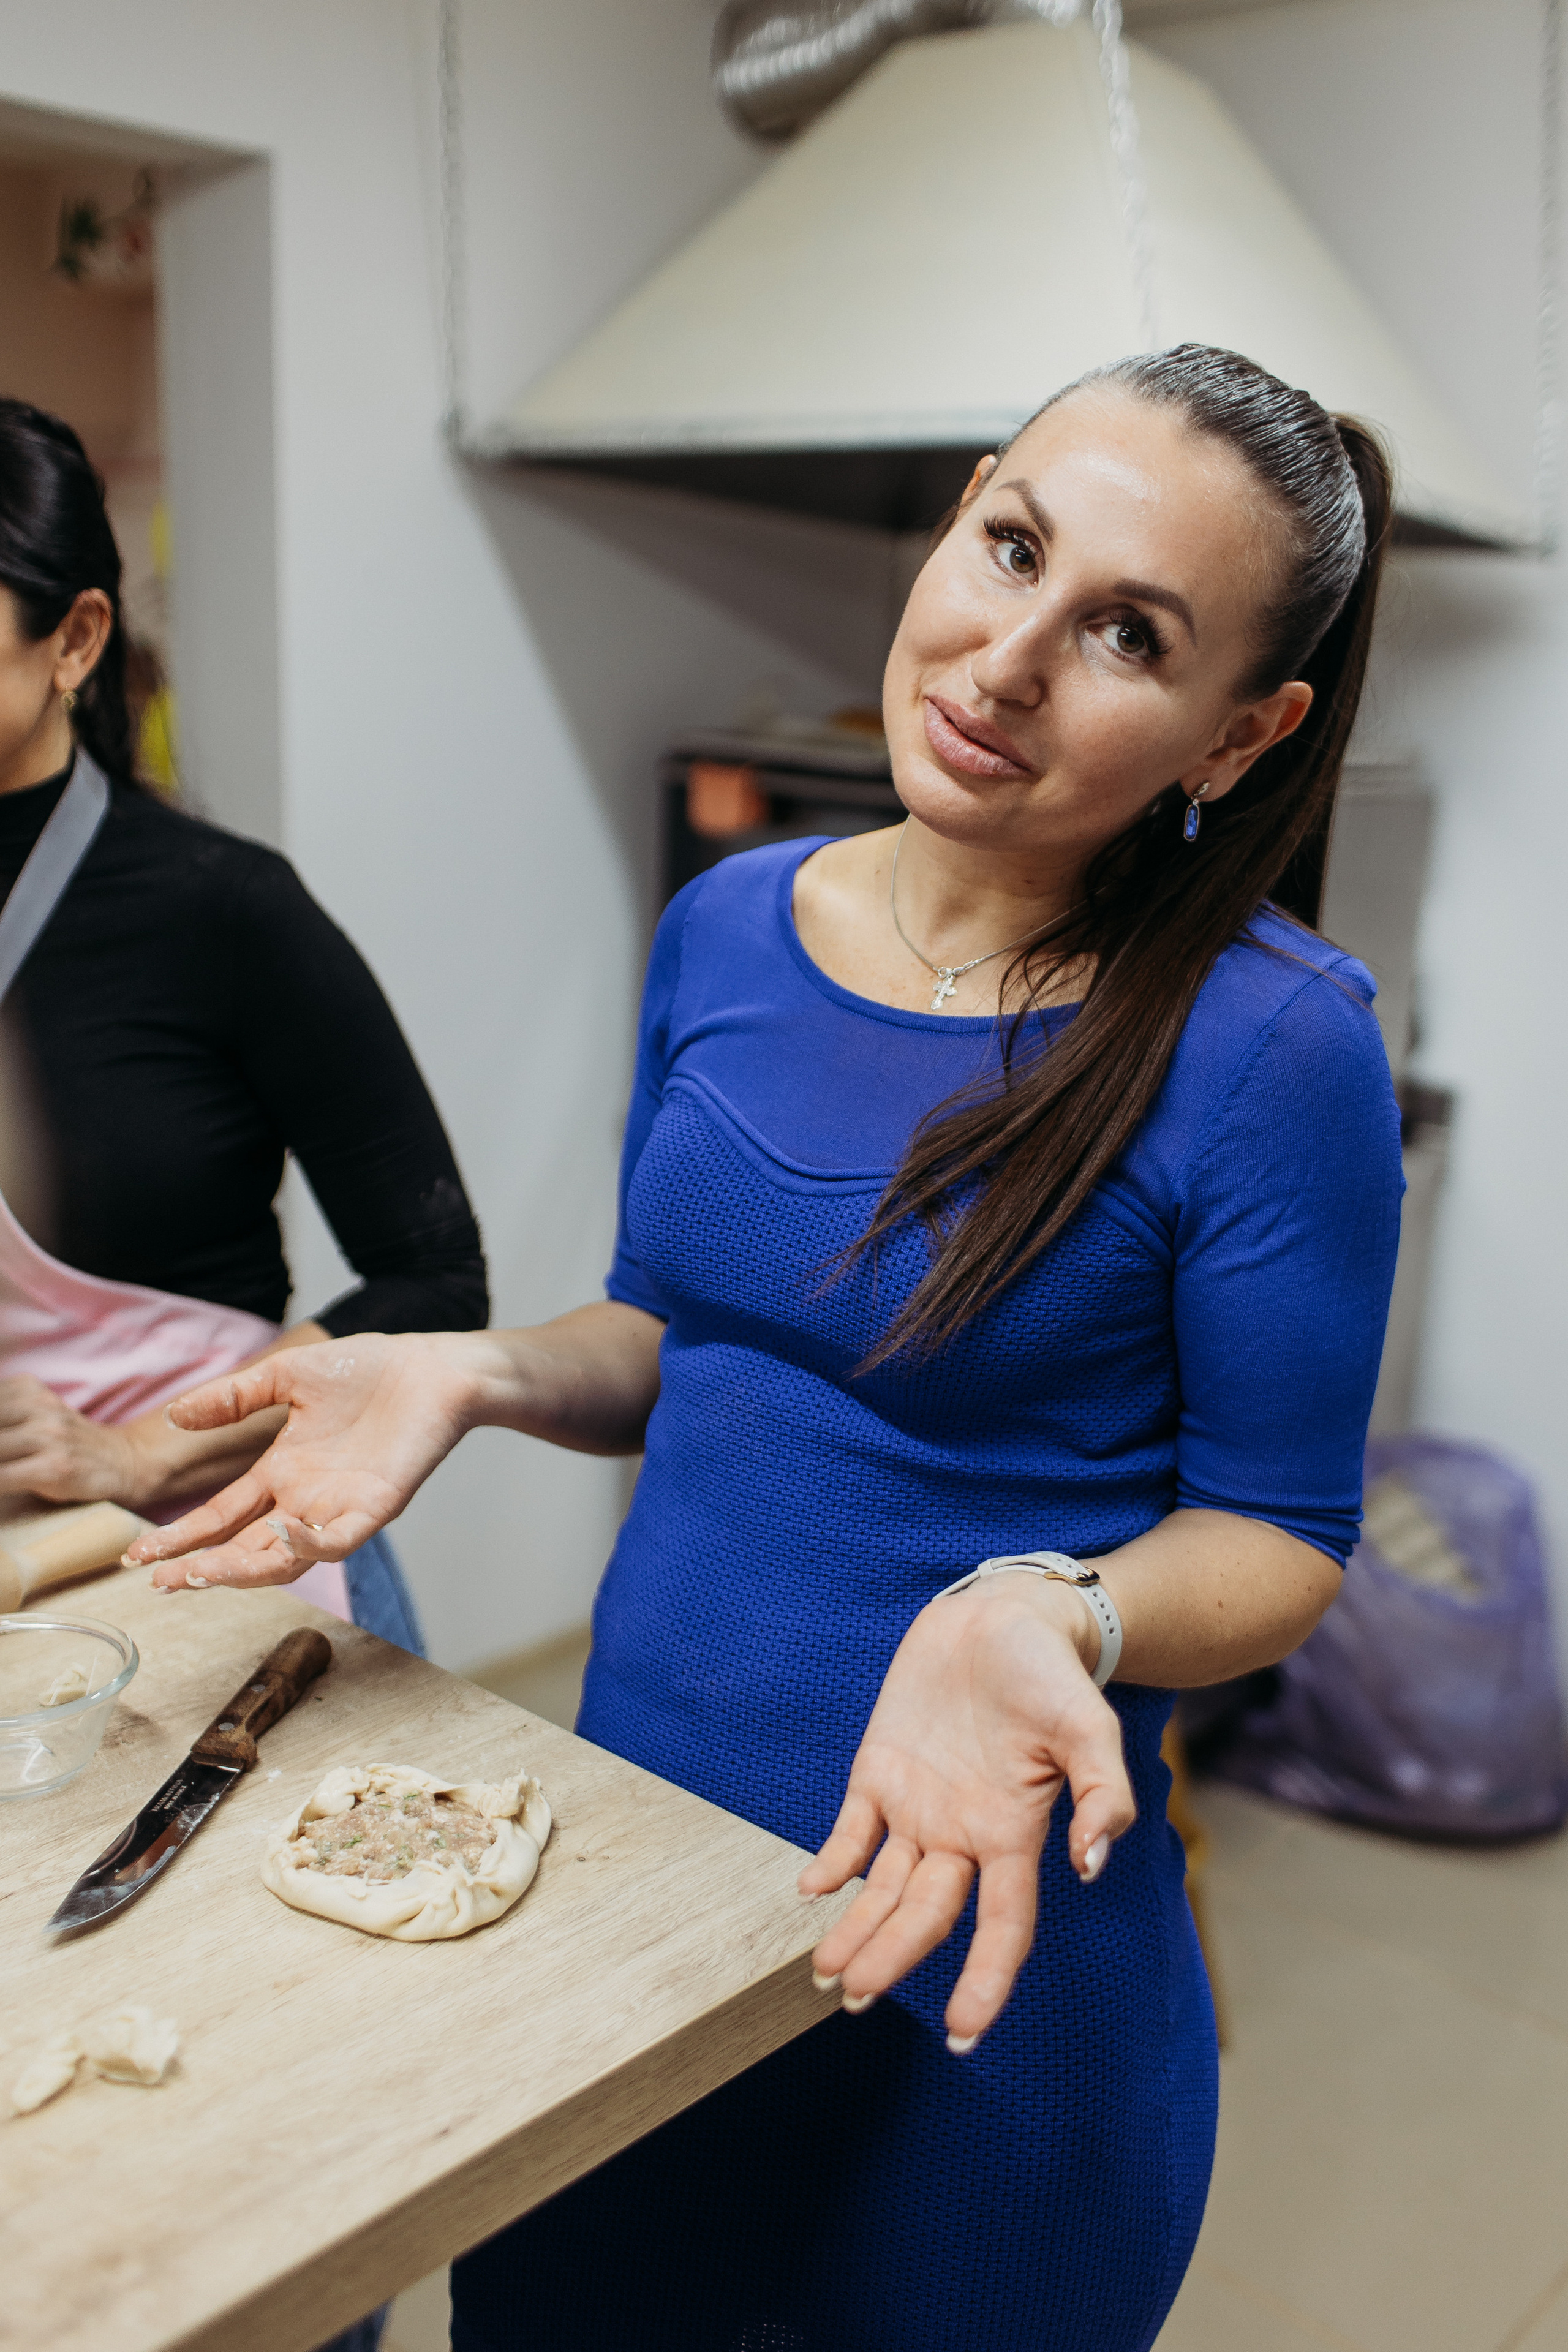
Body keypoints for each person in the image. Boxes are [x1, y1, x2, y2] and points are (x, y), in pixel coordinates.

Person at [134, 345, 1404, 2352]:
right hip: (632, 1918)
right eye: (1010, 549)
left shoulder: (1273, 1045)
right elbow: (678, 1338)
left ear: (1240, 733)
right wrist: (470, 1369)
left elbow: (1283, 1541)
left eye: (1127, 636)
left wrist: (1041, 1607)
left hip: (980, 1979)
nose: (1004, 661)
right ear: (964, 506)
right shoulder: (729, 925)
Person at [0, 395, 488, 1653]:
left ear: (75, 639)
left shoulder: (224, 911)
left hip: (221, 1554)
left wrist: (128, 1448)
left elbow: (434, 1280)